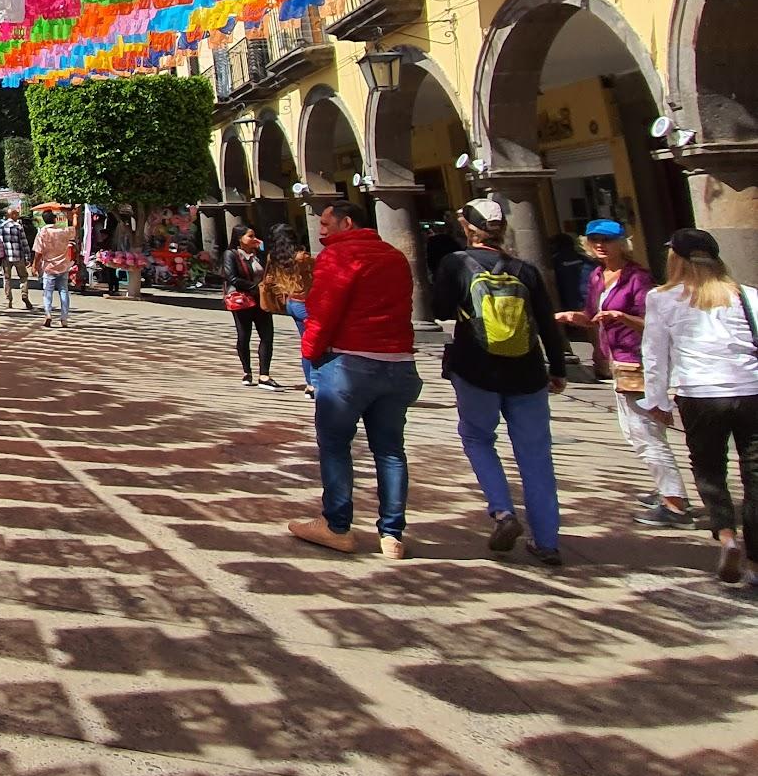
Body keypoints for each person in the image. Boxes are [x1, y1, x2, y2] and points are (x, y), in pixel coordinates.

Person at [433, 197, 569, 566]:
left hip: (476, 368)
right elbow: (546, 322)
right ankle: (548, 541)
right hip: (527, 371)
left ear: (467, 228)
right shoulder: (525, 269)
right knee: (536, 455)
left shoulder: (455, 264)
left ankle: (503, 511)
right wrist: (557, 368)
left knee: (478, 438)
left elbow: (441, 310)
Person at [288, 200, 420, 558]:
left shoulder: (338, 257)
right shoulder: (394, 257)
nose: (321, 229)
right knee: (390, 450)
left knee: (334, 445)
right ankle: (392, 535)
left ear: (348, 222)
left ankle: (337, 526)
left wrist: (311, 353)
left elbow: (324, 310)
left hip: (350, 364)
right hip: (398, 363)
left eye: (327, 222)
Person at [639, 228, 758, 588]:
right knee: (755, 476)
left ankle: (726, 535)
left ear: (675, 259)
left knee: (709, 469)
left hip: (700, 394)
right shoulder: (748, 296)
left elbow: (655, 354)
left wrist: (656, 399)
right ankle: (755, 560)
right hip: (751, 390)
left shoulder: (662, 298)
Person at [557, 219, 693, 527]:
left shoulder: (637, 278)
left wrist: (623, 317)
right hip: (615, 361)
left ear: (622, 242)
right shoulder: (595, 276)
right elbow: (593, 317)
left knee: (646, 432)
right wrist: (569, 317)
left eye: (607, 239)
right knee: (635, 432)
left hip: (639, 360)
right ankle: (666, 490)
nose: (601, 245)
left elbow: (653, 322)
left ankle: (675, 504)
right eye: (594, 240)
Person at [224, 226, 282, 389]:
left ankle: (264, 374)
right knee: (244, 336)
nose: (253, 239)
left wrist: (262, 249)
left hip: (262, 300)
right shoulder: (231, 254)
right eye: (250, 236)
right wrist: (255, 287)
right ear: (239, 238)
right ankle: (247, 371)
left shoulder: (259, 254)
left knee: (267, 336)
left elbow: (271, 267)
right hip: (242, 300)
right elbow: (232, 277)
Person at [265, 224, 317, 395]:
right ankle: (314, 383)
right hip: (305, 302)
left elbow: (270, 281)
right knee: (315, 344)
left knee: (305, 342)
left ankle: (309, 383)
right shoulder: (302, 257)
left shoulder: (273, 257)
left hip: (290, 302)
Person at [34, 210, 75, 328]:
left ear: (43, 220)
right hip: (63, 265)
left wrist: (35, 265)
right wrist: (72, 216)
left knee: (47, 292)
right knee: (64, 291)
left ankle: (48, 314)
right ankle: (64, 318)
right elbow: (74, 229)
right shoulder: (63, 231)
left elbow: (38, 252)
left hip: (49, 267)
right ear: (54, 219)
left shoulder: (42, 233)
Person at [0, 210, 34, 310]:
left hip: (6, 257)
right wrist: (28, 257)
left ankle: (8, 300)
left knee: (7, 278)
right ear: (13, 215)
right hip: (18, 256)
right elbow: (24, 242)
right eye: (17, 214)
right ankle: (24, 295)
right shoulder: (18, 227)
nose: (18, 216)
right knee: (23, 277)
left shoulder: (1, 227)